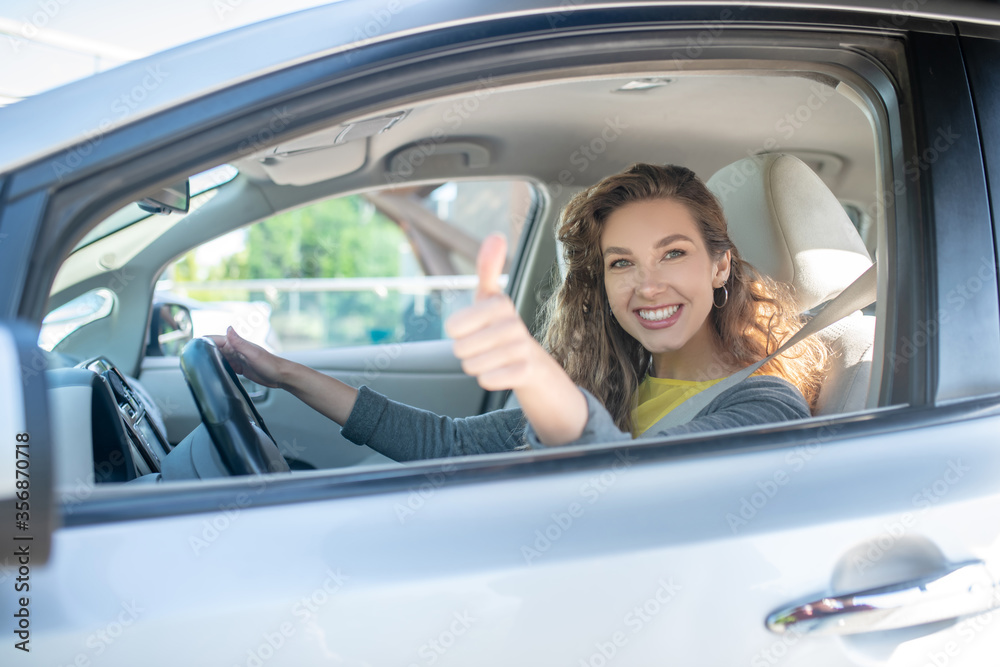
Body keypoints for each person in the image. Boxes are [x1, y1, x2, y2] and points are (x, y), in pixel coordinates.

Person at [211, 164, 827, 461]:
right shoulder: (619, 382)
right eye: (621, 263)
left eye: (673, 254)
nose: (647, 285)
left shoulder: (765, 407)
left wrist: (533, 374)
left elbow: (620, 476)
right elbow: (442, 442)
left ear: (720, 266)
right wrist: (287, 374)